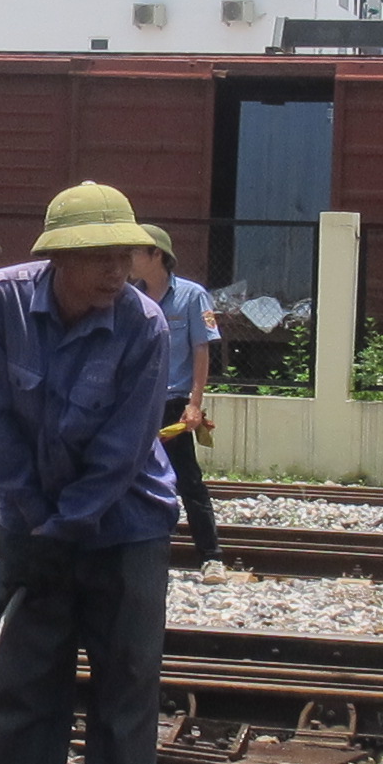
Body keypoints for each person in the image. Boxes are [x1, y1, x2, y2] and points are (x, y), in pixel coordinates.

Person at [0, 182, 181, 764]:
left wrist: (63, 529)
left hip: (126, 529)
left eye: (126, 254)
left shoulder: (143, 325)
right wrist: (36, 527)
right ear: (58, 258)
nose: (119, 271)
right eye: (101, 257)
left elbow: (122, 450)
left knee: (125, 691)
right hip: (31, 527)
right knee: (24, 686)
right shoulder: (1, 302)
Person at [134, 229, 223, 568]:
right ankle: (144, 553)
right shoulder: (130, 296)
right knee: (133, 478)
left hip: (172, 403)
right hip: (138, 403)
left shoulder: (192, 296)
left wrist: (194, 404)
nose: (127, 260)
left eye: (134, 252)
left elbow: (201, 351)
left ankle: (211, 555)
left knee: (187, 480)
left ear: (156, 255)